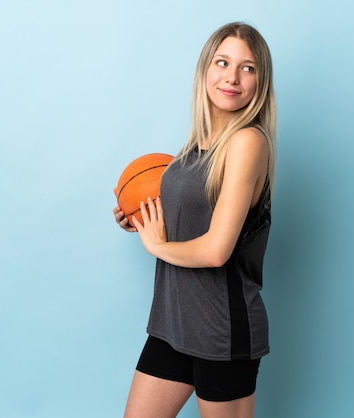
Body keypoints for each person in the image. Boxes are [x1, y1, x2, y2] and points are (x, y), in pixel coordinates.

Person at [113, 21, 276, 418]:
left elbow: (217, 249)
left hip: (223, 331)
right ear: (206, 69)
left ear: (260, 82)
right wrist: (140, 215)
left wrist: (156, 245)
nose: (232, 77)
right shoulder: (196, 147)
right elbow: (196, 214)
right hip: (174, 322)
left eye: (248, 67)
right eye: (222, 62)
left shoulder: (247, 142)